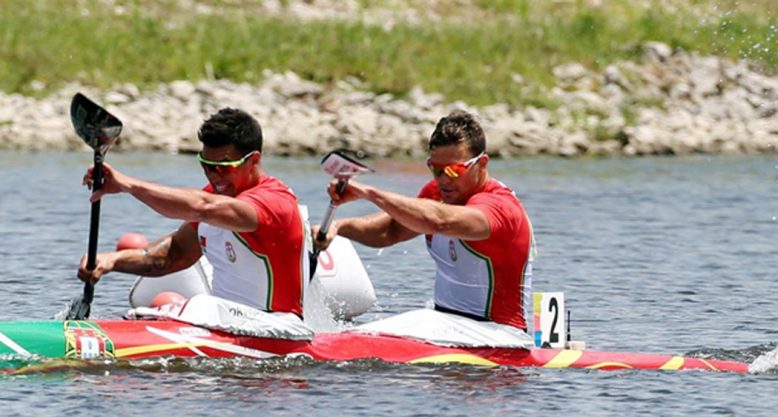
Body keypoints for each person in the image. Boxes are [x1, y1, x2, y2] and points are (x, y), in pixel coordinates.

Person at [78, 108, 309, 332]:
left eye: (222, 167)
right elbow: (173, 256)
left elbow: (201, 207)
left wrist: (128, 185)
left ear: (253, 161)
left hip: (278, 328)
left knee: (198, 304)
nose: (213, 175)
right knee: (171, 308)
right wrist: (111, 260)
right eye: (206, 165)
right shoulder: (215, 197)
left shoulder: (274, 201)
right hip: (227, 324)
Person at [313, 110, 534, 335]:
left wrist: (368, 193)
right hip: (449, 326)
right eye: (436, 169)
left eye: (454, 170)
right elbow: (390, 231)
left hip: (500, 336)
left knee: (368, 336)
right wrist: (339, 227)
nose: (444, 180)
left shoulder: (500, 207)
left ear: (482, 164)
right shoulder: (436, 193)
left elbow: (440, 221)